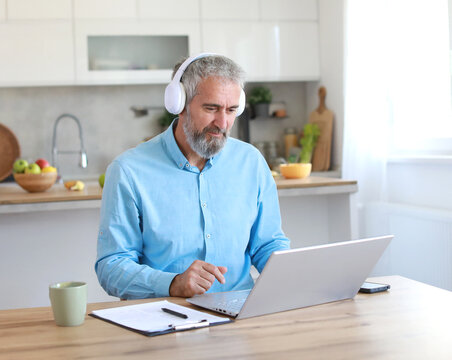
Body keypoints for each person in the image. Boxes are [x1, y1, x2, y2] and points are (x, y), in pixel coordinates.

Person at [95, 53, 290, 299]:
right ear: (179, 104)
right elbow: (111, 266)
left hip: (241, 315)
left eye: (231, 110)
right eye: (211, 108)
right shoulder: (128, 171)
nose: (223, 122)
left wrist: (294, 275)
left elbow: (267, 245)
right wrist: (173, 283)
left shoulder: (251, 162)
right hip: (164, 318)